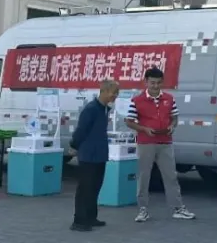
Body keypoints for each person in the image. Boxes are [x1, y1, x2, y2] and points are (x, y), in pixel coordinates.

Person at [126, 67, 195, 223]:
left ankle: (177, 208)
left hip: (165, 142)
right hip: (146, 143)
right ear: (146, 82)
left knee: (171, 176)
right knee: (144, 177)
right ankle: (143, 209)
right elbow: (129, 121)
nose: (155, 86)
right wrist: (144, 129)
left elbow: (174, 117)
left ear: (162, 82)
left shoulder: (169, 99)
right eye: (152, 83)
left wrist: (172, 126)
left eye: (158, 83)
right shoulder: (137, 100)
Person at [69, 80, 120, 232]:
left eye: (117, 93)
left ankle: (91, 217)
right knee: (85, 188)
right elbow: (81, 130)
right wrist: (74, 145)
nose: (115, 96)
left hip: (100, 155)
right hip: (88, 155)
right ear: (104, 91)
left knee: (95, 187)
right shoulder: (90, 109)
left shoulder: (104, 109)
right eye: (113, 92)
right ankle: (79, 220)